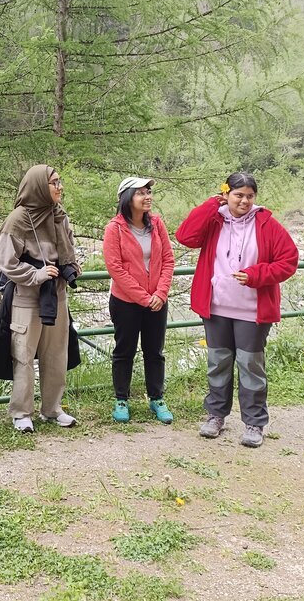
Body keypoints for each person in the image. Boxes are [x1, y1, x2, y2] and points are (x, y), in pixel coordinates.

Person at [175, 172, 297, 448]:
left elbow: (288, 260)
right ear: (226, 194)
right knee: (217, 363)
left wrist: (256, 274)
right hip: (216, 306)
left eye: (249, 196)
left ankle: (254, 422)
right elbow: (185, 236)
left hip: (252, 310)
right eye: (238, 195)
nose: (244, 200)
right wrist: (210, 205)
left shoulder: (266, 224)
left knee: (250, 365)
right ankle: (215, 415)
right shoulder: (215, 220)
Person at [0, 165, 81, 433]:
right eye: (54, 182)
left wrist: (72, 267)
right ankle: (21, 413)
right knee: (24, 355)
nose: (60, 187)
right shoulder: (19, 219)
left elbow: (69, 249)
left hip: (57, 295)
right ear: (40, 187)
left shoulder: (58, 215)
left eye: (59, 181)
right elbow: (4, 261)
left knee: (56, 354)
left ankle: (52, 409)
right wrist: (36, 274)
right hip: (26, 297)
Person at [103, 176, 175, 424]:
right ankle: (121, 399)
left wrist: (161, 294)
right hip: (125, 302)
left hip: (157, 299)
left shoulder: (156, 224)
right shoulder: (115, 228)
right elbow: (115, 269)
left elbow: (168, 260)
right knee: (124, 350)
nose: (147, 197)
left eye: (148, 192)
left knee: (154, 351)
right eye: (141, 193)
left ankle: (157, 398)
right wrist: (145, 298)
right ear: (127, 198)